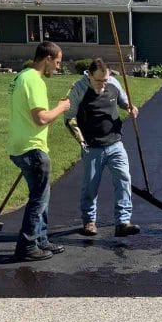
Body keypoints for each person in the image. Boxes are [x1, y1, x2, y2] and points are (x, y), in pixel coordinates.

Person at [7, 41, 71, 261]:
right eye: (57, 62)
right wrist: (61, 108)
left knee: (43, 195)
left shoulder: (21, 77)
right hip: (32, 148)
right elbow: (40, 118)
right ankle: (27, 246)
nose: (58, 67)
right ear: (47, 59)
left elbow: (36, 118)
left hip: (19, 145)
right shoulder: (34, 80)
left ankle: (41, 240)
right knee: (38, 198)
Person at [64, 58, 140, 237]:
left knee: (124, 179)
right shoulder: (79, 89)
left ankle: (123, 222)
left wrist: (131, 108)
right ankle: (89, 221)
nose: (103, 84)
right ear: (89, 75)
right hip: (92, 147)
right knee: (91, 186)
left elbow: (124, 103)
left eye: (105, 80)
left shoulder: (113, 83)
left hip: (115, 143)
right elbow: (69, 119)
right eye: (98, 81)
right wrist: (82, 143)